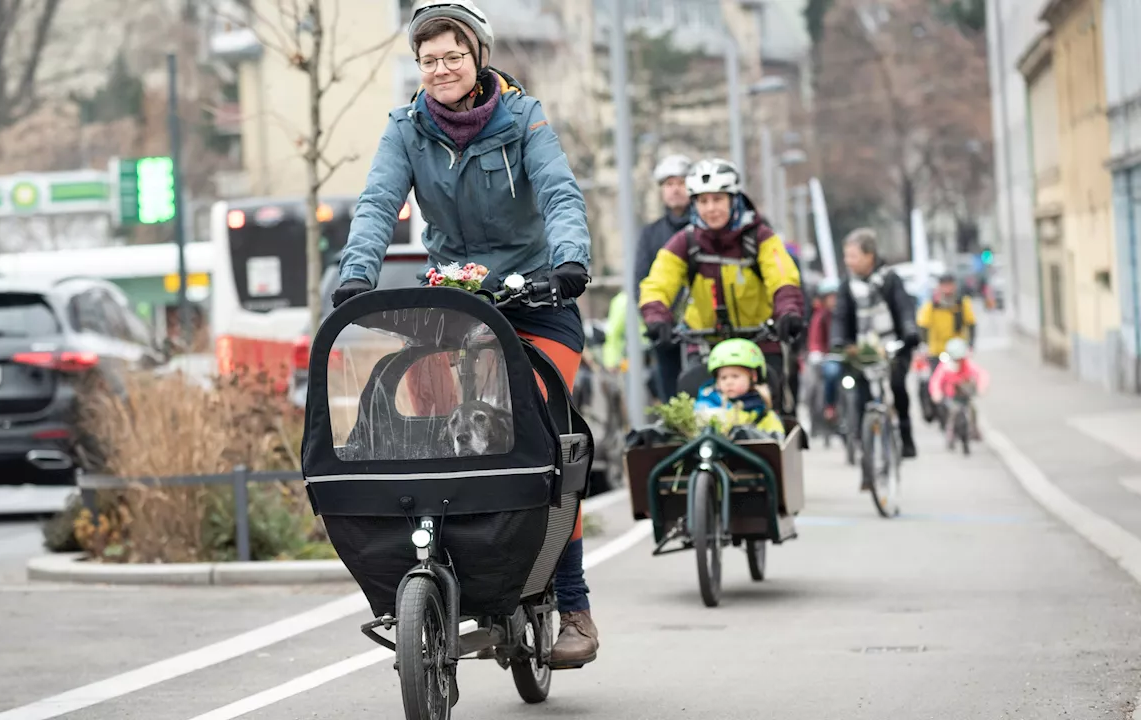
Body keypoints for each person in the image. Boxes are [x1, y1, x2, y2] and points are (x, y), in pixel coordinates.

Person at [330, 0, 599, 668]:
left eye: (453, 55)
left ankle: (575, 606)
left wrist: (568, 266)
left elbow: (561, 195)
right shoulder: (405, 129)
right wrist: (355, 276)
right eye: (429, 59)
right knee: (419, 413)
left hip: (536, 300)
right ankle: (444, 562)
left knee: (543, 432)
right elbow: (376, 204)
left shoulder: (523, 117)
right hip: (456, 301)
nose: (442, 68)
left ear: (477, 55)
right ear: (417, 68)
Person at [637, 157, 807, 411]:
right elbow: (658, 282)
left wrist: (788, 311)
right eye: (703, 201)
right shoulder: (685, 242)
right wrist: (656, 316)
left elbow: (782, 276)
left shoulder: (760, 237)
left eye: (718, 199)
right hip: (705, 344)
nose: (711, 208)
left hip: (758, 340)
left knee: (773, 411)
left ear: (734, 199)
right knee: (695, 415)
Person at [831, 227, 922, 459]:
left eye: (853, 256)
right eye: (846, 256)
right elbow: (841, 315)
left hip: (892, 345)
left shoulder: (891, 279)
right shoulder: (846, 285)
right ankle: (864, 443)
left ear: (869, 256)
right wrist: (838, 340)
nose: (848, 261)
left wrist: (910, 330)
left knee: (898, 387)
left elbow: (903, 308)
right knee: (860, 394)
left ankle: (905, 435)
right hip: (861, 349)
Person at [635, 154, 694, 401]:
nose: (675, 190)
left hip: (705, 326)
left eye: (680, 183)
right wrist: (655, 319)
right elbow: (642, 279)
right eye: (669, 184)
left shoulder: (705, 228)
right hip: (666, 329)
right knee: (670, 392)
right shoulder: (651, 233)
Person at [693, 338, 786, 441]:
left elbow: (776, 441)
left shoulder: (762, 410)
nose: (729, 382)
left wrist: (749, 434)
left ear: (753, 376)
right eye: (723, 378)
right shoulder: (708, 403)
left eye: (735, 376)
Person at [928, 337, 989, 441]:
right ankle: (950, 434)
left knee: (973, 411)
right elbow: (936, 381)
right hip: (951, 396)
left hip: (965, 395)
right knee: (952, 413)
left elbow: (981, 374)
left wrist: (981, 387)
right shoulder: (945, 367)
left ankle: (974, 430)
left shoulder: (967, 364)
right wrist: (936, 393)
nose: (958, 361)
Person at [917, 273, 977, 366]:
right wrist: (924, 345)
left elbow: (971, 323)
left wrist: (970, 345)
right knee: (936, 378)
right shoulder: (931, 305)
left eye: (950, 285)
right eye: (944, 285)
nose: (947, 289)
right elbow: (923, 325)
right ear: (939, 287)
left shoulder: (962, 303)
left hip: (958, 350)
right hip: (937, 352)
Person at [807, 278, 842, 420]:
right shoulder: (820, 316)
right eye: (830, 297)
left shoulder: (845, 313)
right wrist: (816, 352)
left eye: (836, 296)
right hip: (829, 357)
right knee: (831, 373)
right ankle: (830, 405)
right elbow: (815, 338)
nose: (834, 300)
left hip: (849, 356)